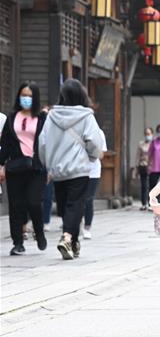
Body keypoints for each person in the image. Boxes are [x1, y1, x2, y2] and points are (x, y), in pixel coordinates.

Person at [39, 79, 105, 260]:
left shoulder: (52, 116)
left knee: (65, 207)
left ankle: (73, 244)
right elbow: (94, 142)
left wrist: (48, 166)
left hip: (58, 170)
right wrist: (93, 156)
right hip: (79, 169)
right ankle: (67, 237)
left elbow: (43, 143)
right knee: (75, 205)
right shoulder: (86, 116)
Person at [0, 83, 48, 255]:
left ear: (35, 98)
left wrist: (49, 166)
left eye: (29, 96)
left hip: (36, 167)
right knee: (16, 205)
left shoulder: (42, 118)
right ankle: (18, 242)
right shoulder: (12, 117)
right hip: (15, 167)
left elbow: (48, 143)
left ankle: (39, 232)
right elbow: (5, 144)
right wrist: (1, 164)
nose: (25, 99)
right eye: (23, 95)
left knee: (33, 202)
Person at [81, 129, 108, 240]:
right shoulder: (77, 130)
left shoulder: (99, 132)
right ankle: (76, 222)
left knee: (88, 199)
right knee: (77, 198)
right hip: (77, 169)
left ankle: (87, 227)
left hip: (93, 171)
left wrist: (90, 149)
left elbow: (102, 154)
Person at [136, 127, 153, 210]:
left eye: (149, 134)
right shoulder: (141, 144)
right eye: (146, 134)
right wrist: (136, 166)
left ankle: (150, 203)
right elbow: (137, 156)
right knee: (144, 185)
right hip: (143, 166)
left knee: (151, 185)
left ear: (152, 134)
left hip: (152, 167)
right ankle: (143, 203)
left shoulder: (154, 143)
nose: (147, 135)